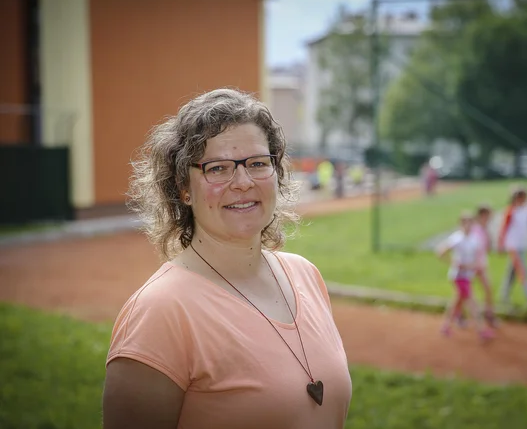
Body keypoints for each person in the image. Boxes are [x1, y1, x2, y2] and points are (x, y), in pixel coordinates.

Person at [102, 88, 352, 429]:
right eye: (217, 169)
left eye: (258, 163)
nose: (243, 182)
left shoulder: (305, 275)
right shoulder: (161, 311)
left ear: (276, 173)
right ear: (183, 188)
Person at [436, 212, 495, 341]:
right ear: (461, 224)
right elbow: (440, 251)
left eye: (470, 223)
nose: (468, 226)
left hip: (468, 276)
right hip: (458, 276)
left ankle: (445, 326)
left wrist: (474, 265)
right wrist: (455, 263)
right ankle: (481, 330)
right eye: (465, 223)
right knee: (473, 303)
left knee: (456, 303)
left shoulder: (474, 239)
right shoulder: (456, 238)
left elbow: (478, 256)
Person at [472, 204, 497, 326]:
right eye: (489, 216)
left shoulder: (484, 230)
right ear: (482, 215)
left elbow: (487, 249)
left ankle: (489, 314)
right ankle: (459, 315)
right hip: (471, 266)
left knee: (488, 288)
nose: (490, 219)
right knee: (463, 293)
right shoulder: (474, 230)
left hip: (481, 264)